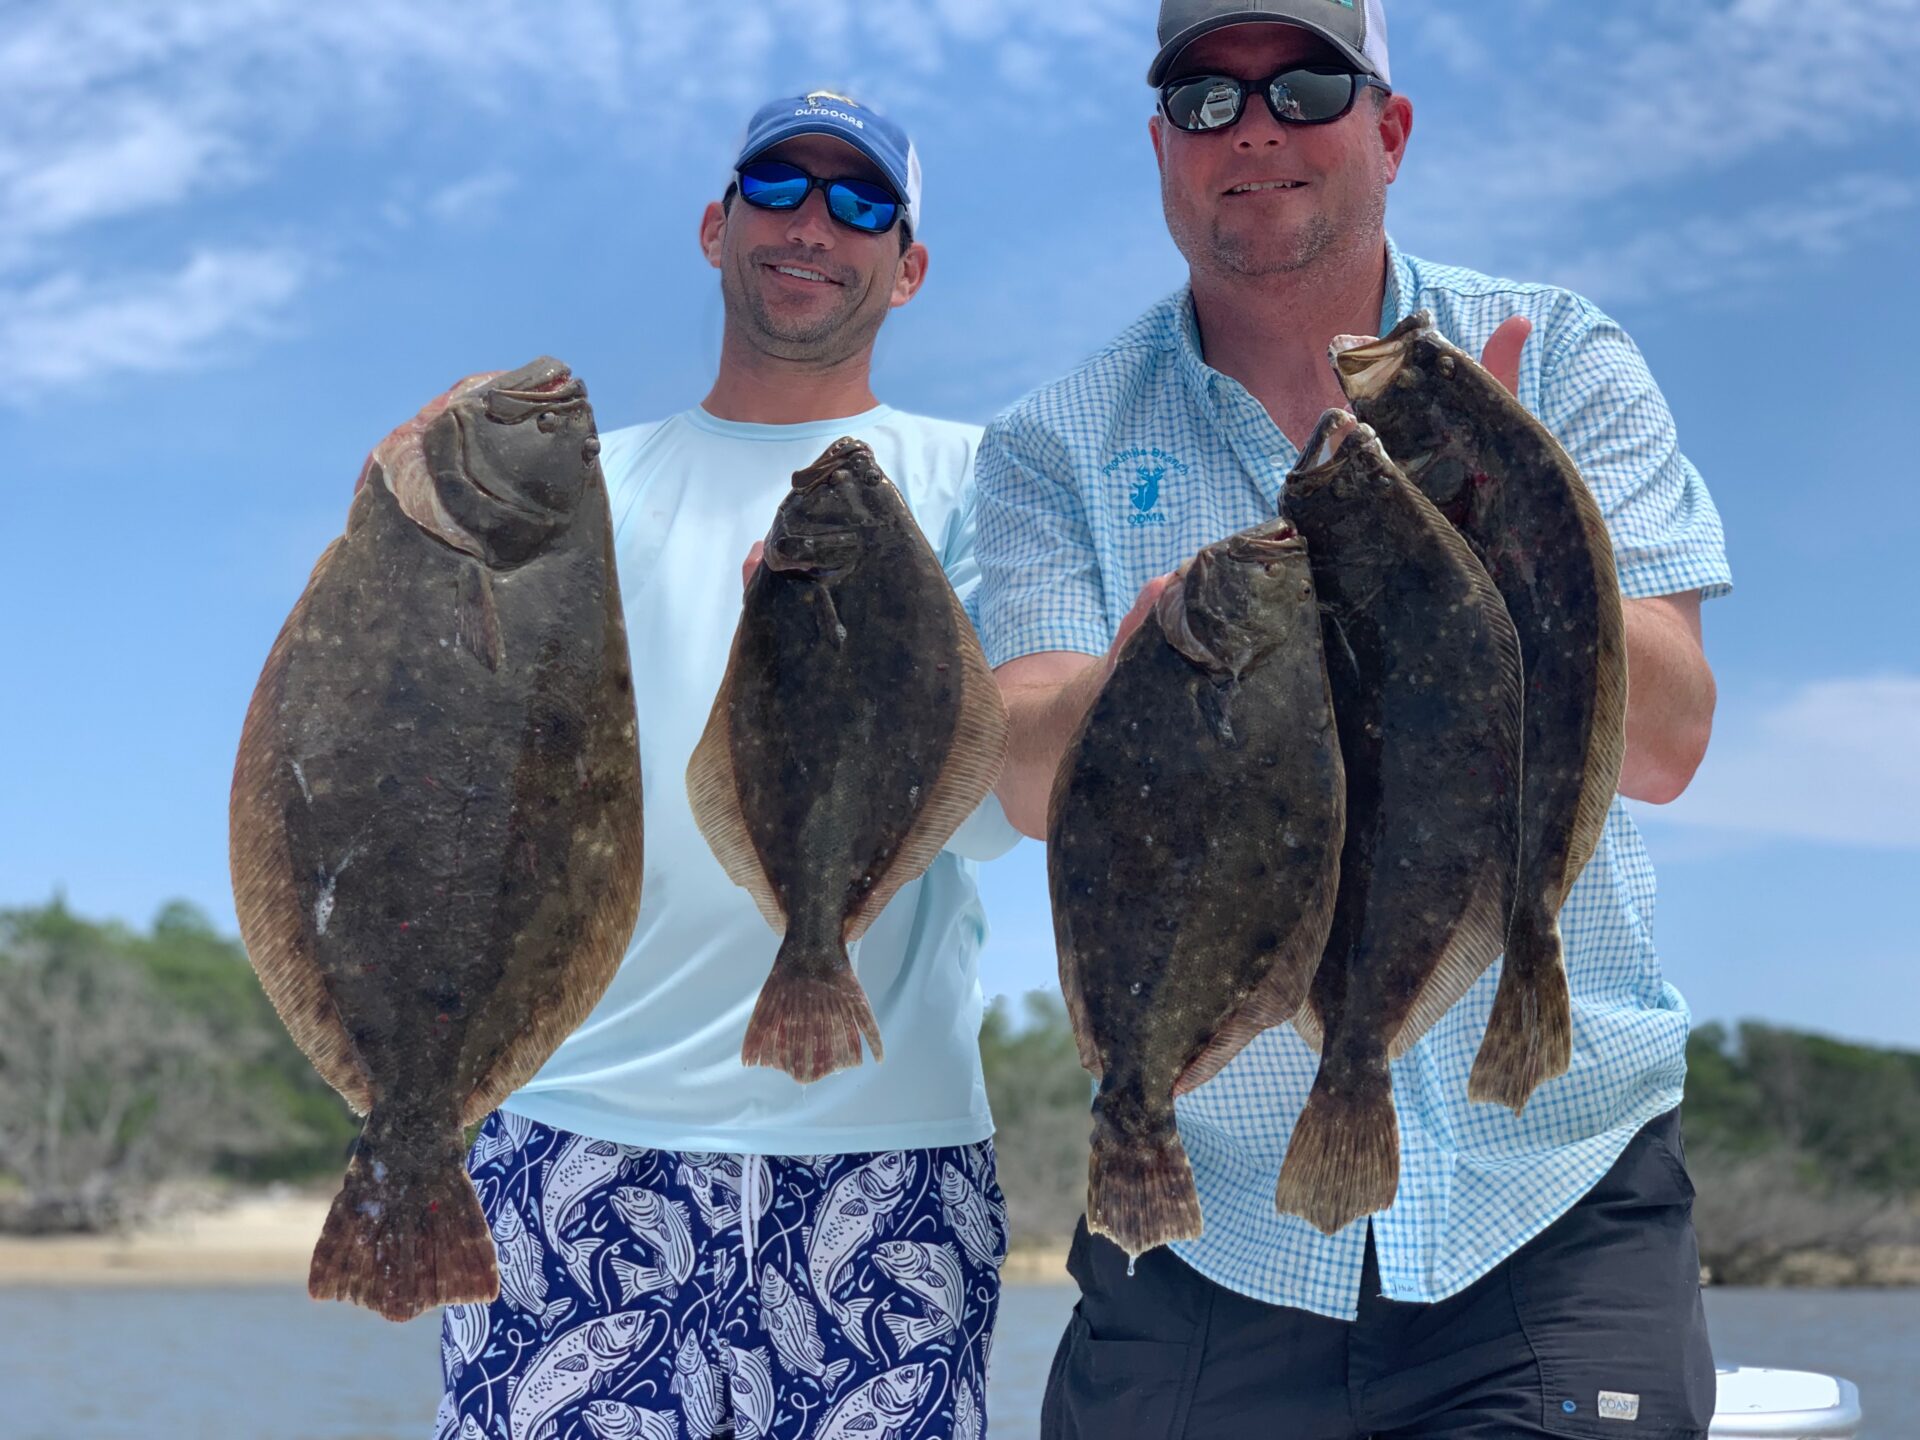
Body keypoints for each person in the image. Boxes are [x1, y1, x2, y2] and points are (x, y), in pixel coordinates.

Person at [973, 3, 1729, 1436]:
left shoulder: (1548, 362)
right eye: (1204, 96)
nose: (1253, 124)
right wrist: (1132, 687)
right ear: (1160, 151)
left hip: (1553, 1207)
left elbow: (1673, 739)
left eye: (1307, 84)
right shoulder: (1052, 443)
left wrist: (1517, 546)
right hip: (1209, 1241)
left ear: (1389, 128)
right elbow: (1022, 767)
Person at [428, 91, 1019, 1440]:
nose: (815, 224)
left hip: (890, 1151)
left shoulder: (983, 479)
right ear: (716, 225)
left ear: (909, 268)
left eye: (863, 203)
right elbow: (472, 777)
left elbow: (987, 820)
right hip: (574, 1127)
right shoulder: (578, 488)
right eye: (779, 188)